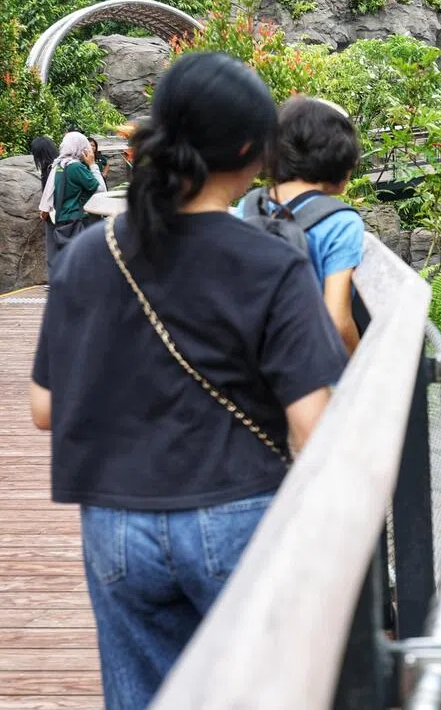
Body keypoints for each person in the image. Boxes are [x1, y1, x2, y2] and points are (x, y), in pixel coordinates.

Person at [29, 52, 348, 709]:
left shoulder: (90, 253)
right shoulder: (273, 262)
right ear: (248, 152)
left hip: (117, 519)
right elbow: (314, 427)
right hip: (236, 511)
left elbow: (44, 407)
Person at [237, 96, 364, 353]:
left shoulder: (250, 205)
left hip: (246, 354)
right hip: (305, 362)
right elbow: (337, 322)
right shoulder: (341, 222)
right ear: (341, 158)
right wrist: (361, 366)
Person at [38, 131, 107, 263]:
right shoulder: (76, 167)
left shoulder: (58, 165)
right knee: (84, 260)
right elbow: (101, 190)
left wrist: (45, 208)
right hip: (78, 220)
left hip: (61, 219)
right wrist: (92, 165)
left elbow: (49, 191)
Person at [30, 136, 59, 272]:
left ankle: (55, 278)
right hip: (62, 214)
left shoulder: (49, 168)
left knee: (52, 250)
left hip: (53, 215)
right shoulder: (58, 165)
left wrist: (45, 209)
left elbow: (50, 191)